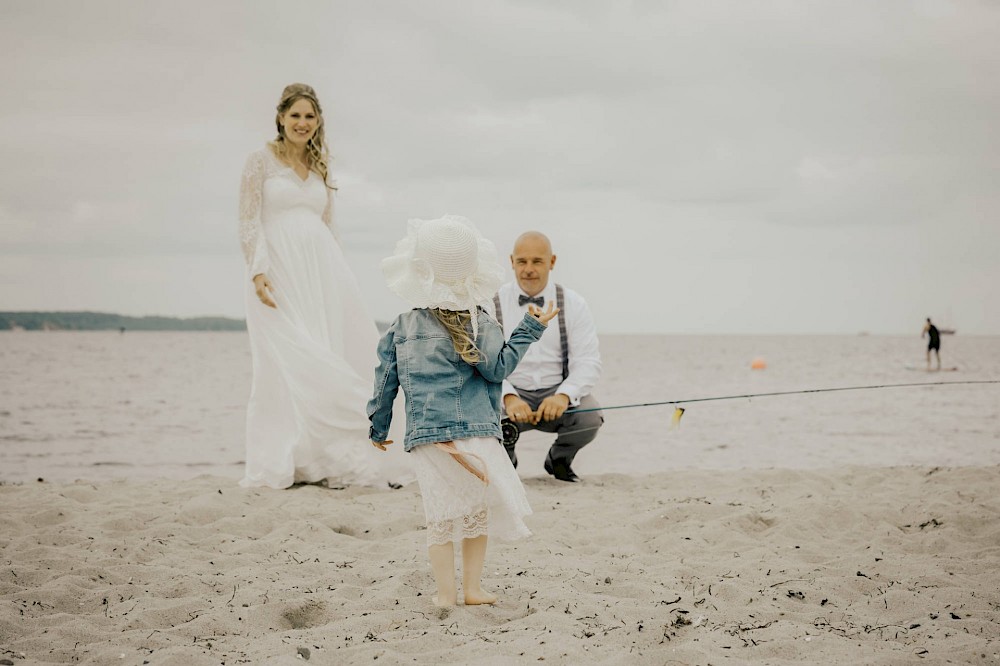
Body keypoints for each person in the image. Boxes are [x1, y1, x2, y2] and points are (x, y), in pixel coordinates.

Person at [368, 216, 558, 607]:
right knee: (475, 512)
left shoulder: (402, 325)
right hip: (475, 434)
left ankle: (445, 593)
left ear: (420, 271)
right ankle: (472, 589)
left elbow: (386, 379)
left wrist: (378, 424)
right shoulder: (479, 321)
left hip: (427, 437)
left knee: (439, 517)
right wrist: (528, 330)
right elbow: (499, 369)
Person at [238, 83, 403, 489]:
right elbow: (248, 220)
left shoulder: (321, 166)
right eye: (295, 115)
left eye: (309, 116)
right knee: (289, 359)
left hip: (322, 271)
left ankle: (328, 458)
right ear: (280, 117)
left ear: (318, 122)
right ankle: (290, 457)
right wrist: (258, 270)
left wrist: (341, 276)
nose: (302, 123)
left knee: (328, 347)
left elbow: (329, 225)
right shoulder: (259, 161)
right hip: (278, 271)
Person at [492, 232, 603, 483]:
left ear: (552, 262)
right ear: (511, 262)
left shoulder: (574, 303)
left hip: (556, 391)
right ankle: (506, 464)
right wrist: (508, 396)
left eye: (537, 261)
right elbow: (486, 362)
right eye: (522, 262)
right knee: (478, 415)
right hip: (507, 392)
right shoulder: (492, 303)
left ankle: (559, 459)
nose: (528, 269)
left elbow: (588, 361)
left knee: (590, 416)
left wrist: (564, 395)